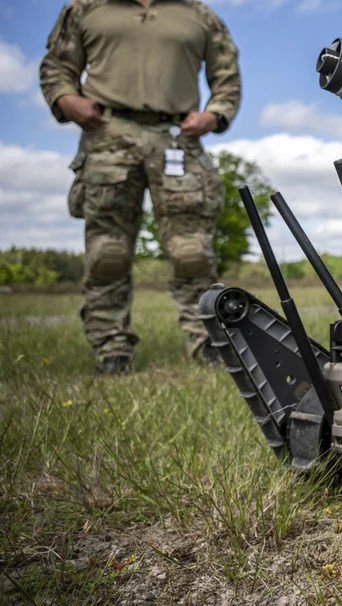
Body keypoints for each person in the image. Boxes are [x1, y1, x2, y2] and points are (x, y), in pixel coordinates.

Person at [39, 0, 241, 375]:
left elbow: (227, 76)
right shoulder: (85, 9)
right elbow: (57, 67)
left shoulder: (199, 15)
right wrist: (68, 100)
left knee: (191, 250)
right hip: (107, 136)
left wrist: (214, 115)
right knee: (107, 252)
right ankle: (111, 348)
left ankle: (208, 343)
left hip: (177, 136)